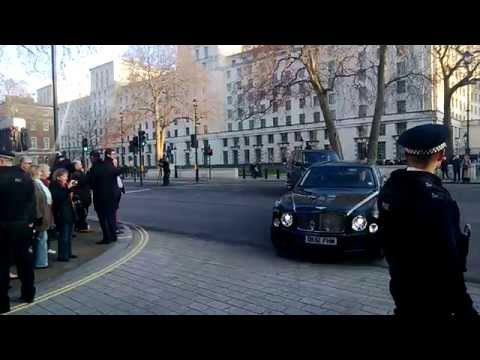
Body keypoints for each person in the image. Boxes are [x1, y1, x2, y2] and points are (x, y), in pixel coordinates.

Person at [378, 124, 478, 318]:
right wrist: (466, 310)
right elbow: (449, 265)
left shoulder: (390, 189)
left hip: (402, 290)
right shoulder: (437, 201)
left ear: (407, 154)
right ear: (440, 156)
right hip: (433, 301)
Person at [0, 151, 37, 313]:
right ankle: (28, 293)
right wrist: (30, 223)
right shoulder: (26, 178)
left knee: (2, 265)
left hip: (3, 227)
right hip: (22, 226)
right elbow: (32, 203)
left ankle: (3, 303)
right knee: (25, 262)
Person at [88, 149, 121, 244]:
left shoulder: (95, 168)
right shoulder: (109, 165)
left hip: (100, 197)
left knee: (103, 218)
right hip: (112, 196)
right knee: (111, 216)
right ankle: (113, 236)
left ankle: (107, 238)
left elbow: (91, 183)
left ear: (92, 158)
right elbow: (118, 172)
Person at [50, 168, 77, 262]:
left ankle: (68, 253)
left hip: (69, 212)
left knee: (69, 235)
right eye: (64, 176)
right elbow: (59, 198)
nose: (66, 178)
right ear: (58, 177)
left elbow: (68, 196)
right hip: (61, 213)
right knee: (64, 235)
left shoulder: (64, 185)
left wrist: (71, 188)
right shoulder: (54, 186)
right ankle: (62, 255)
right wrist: (68, 188)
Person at [29, 165, 54, 269]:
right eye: (39, 171)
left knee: (42, 239)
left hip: (44, 215)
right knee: (41, 240)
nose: (41, 173)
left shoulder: (38, 184)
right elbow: (36, 202)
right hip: (40, 216)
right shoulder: (35, 184)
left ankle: (42, 261)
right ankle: (41, 262)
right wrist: (38, 216)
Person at [70, 160, 92, 233]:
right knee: (82, 212)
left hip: (83, 195)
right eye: (79, 164)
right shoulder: (76, 174)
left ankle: (81, 225)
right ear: (75, 166)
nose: (81, 165)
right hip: (81, 196)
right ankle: (81, 226)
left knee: (83, 212)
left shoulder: (78, 173)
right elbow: (82, 182)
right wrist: (88, 172)